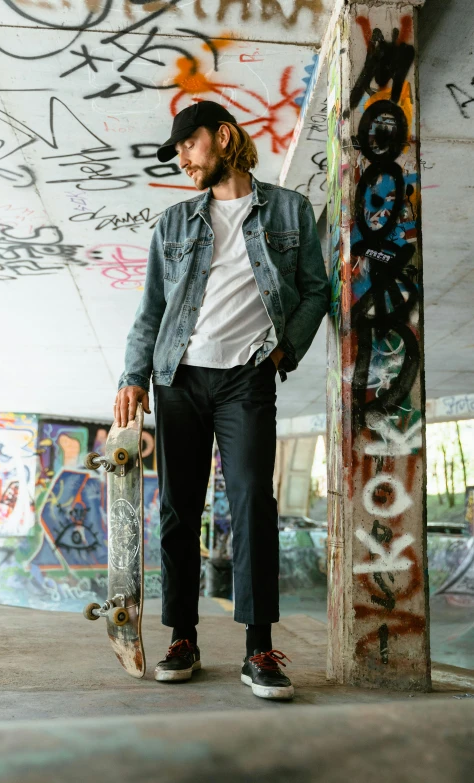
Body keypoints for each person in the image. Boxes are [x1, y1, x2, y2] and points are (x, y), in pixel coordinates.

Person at [114, 101, 330, 700]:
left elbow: (318, 289)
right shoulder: (174, 223)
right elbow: (151, 312)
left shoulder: (288, 210)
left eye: (188, 145)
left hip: (248, 379)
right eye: (178, 152)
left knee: (253, 504)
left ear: (224, 137)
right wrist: (133, 375)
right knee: (180, 511)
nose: (182, 159)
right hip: (178, 379)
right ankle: (182, 635)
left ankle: (258, 647)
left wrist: (287, 348)